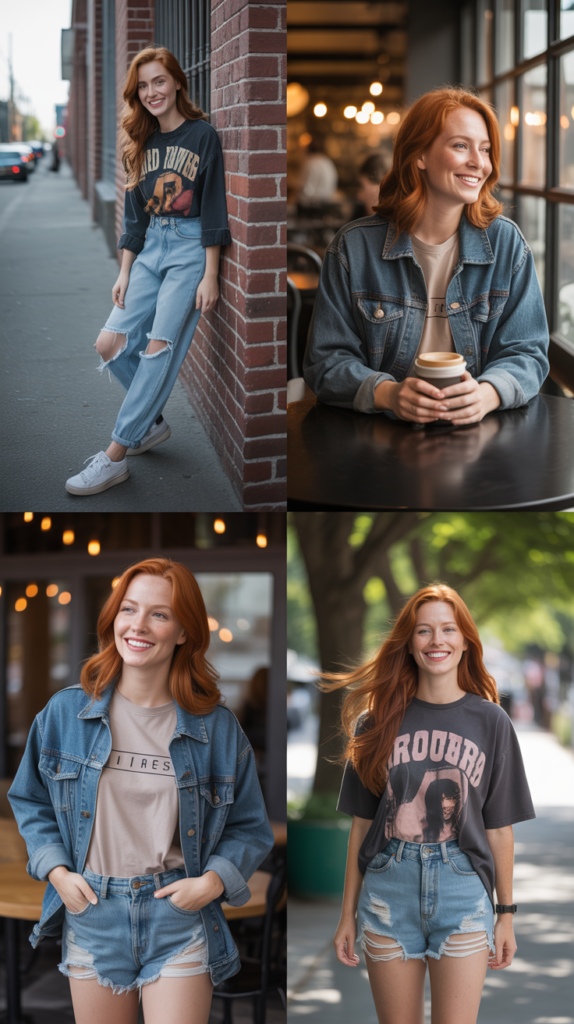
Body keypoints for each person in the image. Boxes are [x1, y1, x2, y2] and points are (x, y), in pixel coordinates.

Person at [8, 558, 273, 1024]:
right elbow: (30, 799)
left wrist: (210, 884)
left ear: (184, 631)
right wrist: (57, 873)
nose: (138, 625)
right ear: (113, 618)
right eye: (129, 609)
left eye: (159, 614)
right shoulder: (66, 713)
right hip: (92, 911)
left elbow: (250, 825)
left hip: (177, 914)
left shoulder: (217, 729)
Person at [321, 583, 535, 1024]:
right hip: (387, 888)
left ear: (464, 641)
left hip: (463, 888)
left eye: (447, 630)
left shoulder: (491, 721)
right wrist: (347, 915)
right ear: (409, 643)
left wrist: (506, 915)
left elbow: (498, 828)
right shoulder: (375, 722)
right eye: (423, 631)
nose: (436, 641)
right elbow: (362, 828)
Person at [304, 88, 549, 425]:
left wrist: (487, 393)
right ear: (419, 154)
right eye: (461, 146)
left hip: (479, 438)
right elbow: (325, 362)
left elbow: (528, 352)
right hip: (379, 439)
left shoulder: (506, 243)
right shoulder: (353, 247)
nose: (479, 163)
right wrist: (389, 394)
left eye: (486, 149)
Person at [65, 47, 231, 495]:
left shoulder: (202, 136)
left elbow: (214, 204)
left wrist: (211, 272)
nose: (152, 91)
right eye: (143, 85)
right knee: (109, 343)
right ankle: (150, 423)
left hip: (190, 249)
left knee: (159, 350)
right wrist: (125, 270)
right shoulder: (139, 141)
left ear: (177, 82)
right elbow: (134, 217)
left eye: (159, 81)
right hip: (150, 247)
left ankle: (115, 454)